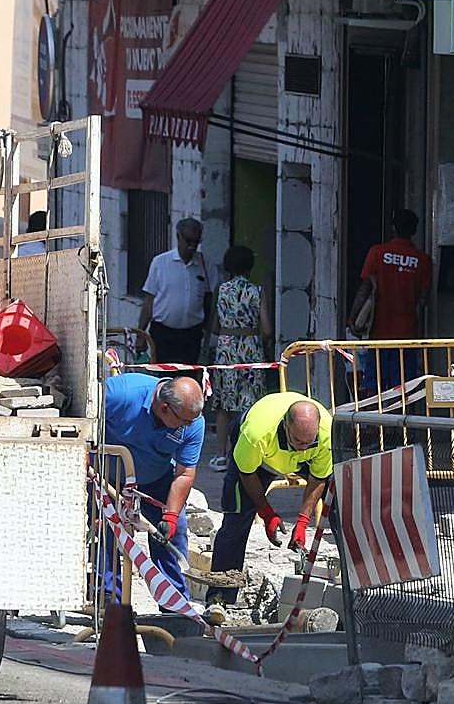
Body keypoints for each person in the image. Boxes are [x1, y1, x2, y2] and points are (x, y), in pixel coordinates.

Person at [204, 392, 332, 621]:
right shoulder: (256, 434)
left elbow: (318, 478)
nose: (304, 447)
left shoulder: (324, 435)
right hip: (257, 459)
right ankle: (218, 596)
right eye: (298, 441)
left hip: (295, 460)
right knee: (236, 519)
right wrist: (267, 513)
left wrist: (302, 522)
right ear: (285, 426)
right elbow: (247, 474)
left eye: (308, 442)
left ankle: (352, 580)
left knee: (340, 498)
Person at [102, 372, 205, 599]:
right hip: (105, 475)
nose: (190, 425)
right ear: (164, 408)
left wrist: (170, 516)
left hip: (155, 480)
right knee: (105, 531)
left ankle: (174, 604)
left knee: (171, 532)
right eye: (185, 421)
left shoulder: (194, 423)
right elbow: (81, 417)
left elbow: (185, 472)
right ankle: (110, 602)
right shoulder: (121, 394)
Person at [347, 208, 432, 393]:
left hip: (379, 334)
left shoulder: (377, 253)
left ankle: (372, 422)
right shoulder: (423, 260)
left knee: (373, 387)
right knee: (403, 389)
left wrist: (353, 319)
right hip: (407, 336)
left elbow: (365, 289)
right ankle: (400, 421)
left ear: (393, 227)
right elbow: (424, 300)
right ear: (414, 231)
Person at [209, 245, 272, 473]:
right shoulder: (257, 291)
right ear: (250, 266)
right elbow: (266, 328)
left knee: (224, 404)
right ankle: (249, 453)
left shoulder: (222, 289)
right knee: (252, 401)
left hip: (226, 348)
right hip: (251, 348)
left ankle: (220, 456)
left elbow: (215, 326)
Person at [138, 218, 212, 365]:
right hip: (163, 334)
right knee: (162, 379)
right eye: (188, 241)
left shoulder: (205, 265)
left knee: (188, 380)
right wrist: (141, 334)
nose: (192, 247)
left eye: (196, 242)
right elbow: (149, 302)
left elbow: (209, 300)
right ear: (178, 237)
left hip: (192, 335)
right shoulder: (160, 263)